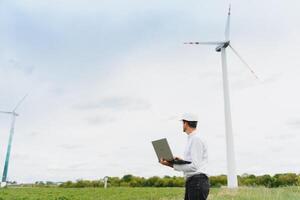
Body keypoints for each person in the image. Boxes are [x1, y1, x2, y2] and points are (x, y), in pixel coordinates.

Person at [159, 113, 209, 200]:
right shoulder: (192, 139)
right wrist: (180, 161)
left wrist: (170, 164)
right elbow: (193, 163)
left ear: (185, 123)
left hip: (197, 182)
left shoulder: (196, 139)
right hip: (194, 182)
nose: (182, 125)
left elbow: (194, 167)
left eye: (182, 123)